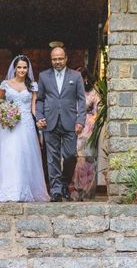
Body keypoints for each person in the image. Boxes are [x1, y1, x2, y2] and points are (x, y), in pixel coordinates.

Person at [0, 55, 50, 202]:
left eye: (25, 67)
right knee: (10, 155)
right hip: (10, 125)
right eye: (19, 67)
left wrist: (39, 119)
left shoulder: (32, 85)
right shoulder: (5, 84)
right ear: (14, 68)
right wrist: (2, 113)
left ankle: (25, 190)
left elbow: (33, 107)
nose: (22, 70)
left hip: (26, 125)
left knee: (25, 156)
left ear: (28, 69)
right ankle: (9, 191)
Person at [36, 47, 86, 202]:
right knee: (52, 158)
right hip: (49, 123)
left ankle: (64, 182)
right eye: (54, 59)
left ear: (66, 58)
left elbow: (81, 100)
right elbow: (40, 99)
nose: (57, 61)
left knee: (70, 155)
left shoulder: (76, 76)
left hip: (70, 122)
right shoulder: (44, 76)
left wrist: (80, 120)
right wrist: (40, 116)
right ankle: (56, 190)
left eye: (60, 58)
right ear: (51, 60)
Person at [69, 68, 100, 201]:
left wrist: (89, 123)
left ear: (85, 78)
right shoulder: (70, 92)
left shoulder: (93, 93)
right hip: (70, 126)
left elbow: (98, 111)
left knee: (85, 160)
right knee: (70, 159)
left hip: (87, 129)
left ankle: (86, 193)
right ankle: (73, 192)